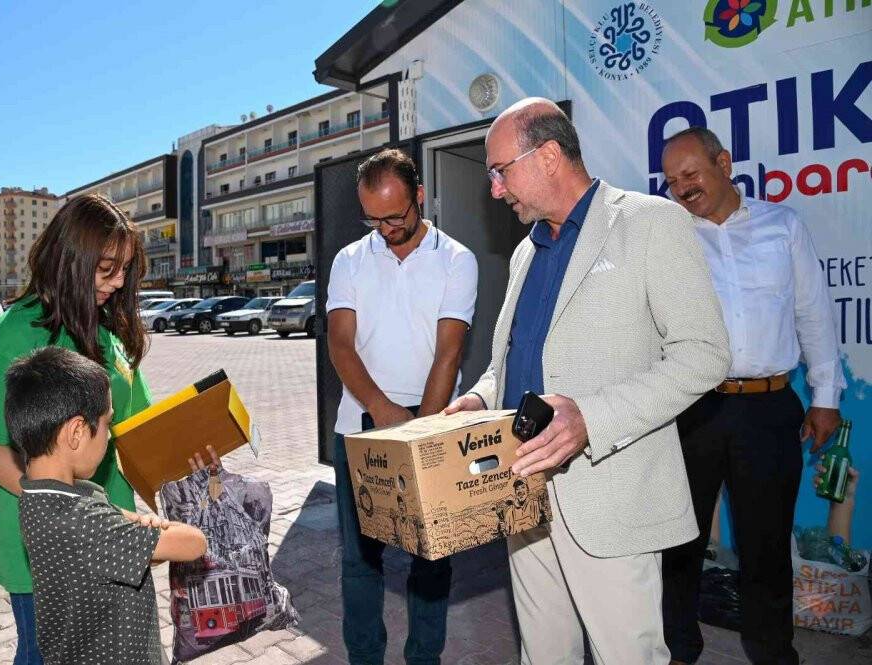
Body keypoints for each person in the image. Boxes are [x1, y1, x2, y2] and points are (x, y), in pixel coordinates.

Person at [443, 98, 730, 664]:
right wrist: (479, 394)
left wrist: (590, 420)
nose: (495, 190)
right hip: (524, 493)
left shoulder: (650, 223)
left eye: (501, 171)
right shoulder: (527, 251)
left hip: (611, 500)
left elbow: (705, 355)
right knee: (544, 655)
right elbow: (511, 356)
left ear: (548, 156)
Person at [660, 126, 845, 665]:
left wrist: (826, 397)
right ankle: (677, 649)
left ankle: (773, 652)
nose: (683, 188)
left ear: (724, 162)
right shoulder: (669, 236)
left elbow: (813, 313)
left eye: (692, 174)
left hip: (768, 409)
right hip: (691, 408)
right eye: (673, 181)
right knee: (680, 541)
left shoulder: (781, 225)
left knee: (766, 546)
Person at [0, 194, 154, 664]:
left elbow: (137, 425)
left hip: (111, 529)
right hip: (46, 542)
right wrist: (64, 518)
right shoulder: (12, 337)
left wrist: (190, 454)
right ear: (69, 259)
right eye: (107, 268)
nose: (119, 281)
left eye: (125, 268)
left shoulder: (105, 327)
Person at [327, 148, 478, 665]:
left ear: (419, 196)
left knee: (432, 556)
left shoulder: (457, 259)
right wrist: (385, 412)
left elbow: (449, 351)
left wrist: (423, 431)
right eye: (373, 218)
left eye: (395, 216)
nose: (386, 229)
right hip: (362, 427)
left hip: (432, 419)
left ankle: (424, 659)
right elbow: (340, 346)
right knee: (360, 561)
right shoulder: (350, 260)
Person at [8, 346, 207, 665]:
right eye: (106, 424)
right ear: (76, 432)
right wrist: (153, 529)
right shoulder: (85, 520)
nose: (110, 436)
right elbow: (194, 544)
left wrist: (141, 536)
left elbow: (123, 540)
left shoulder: (39, 497)